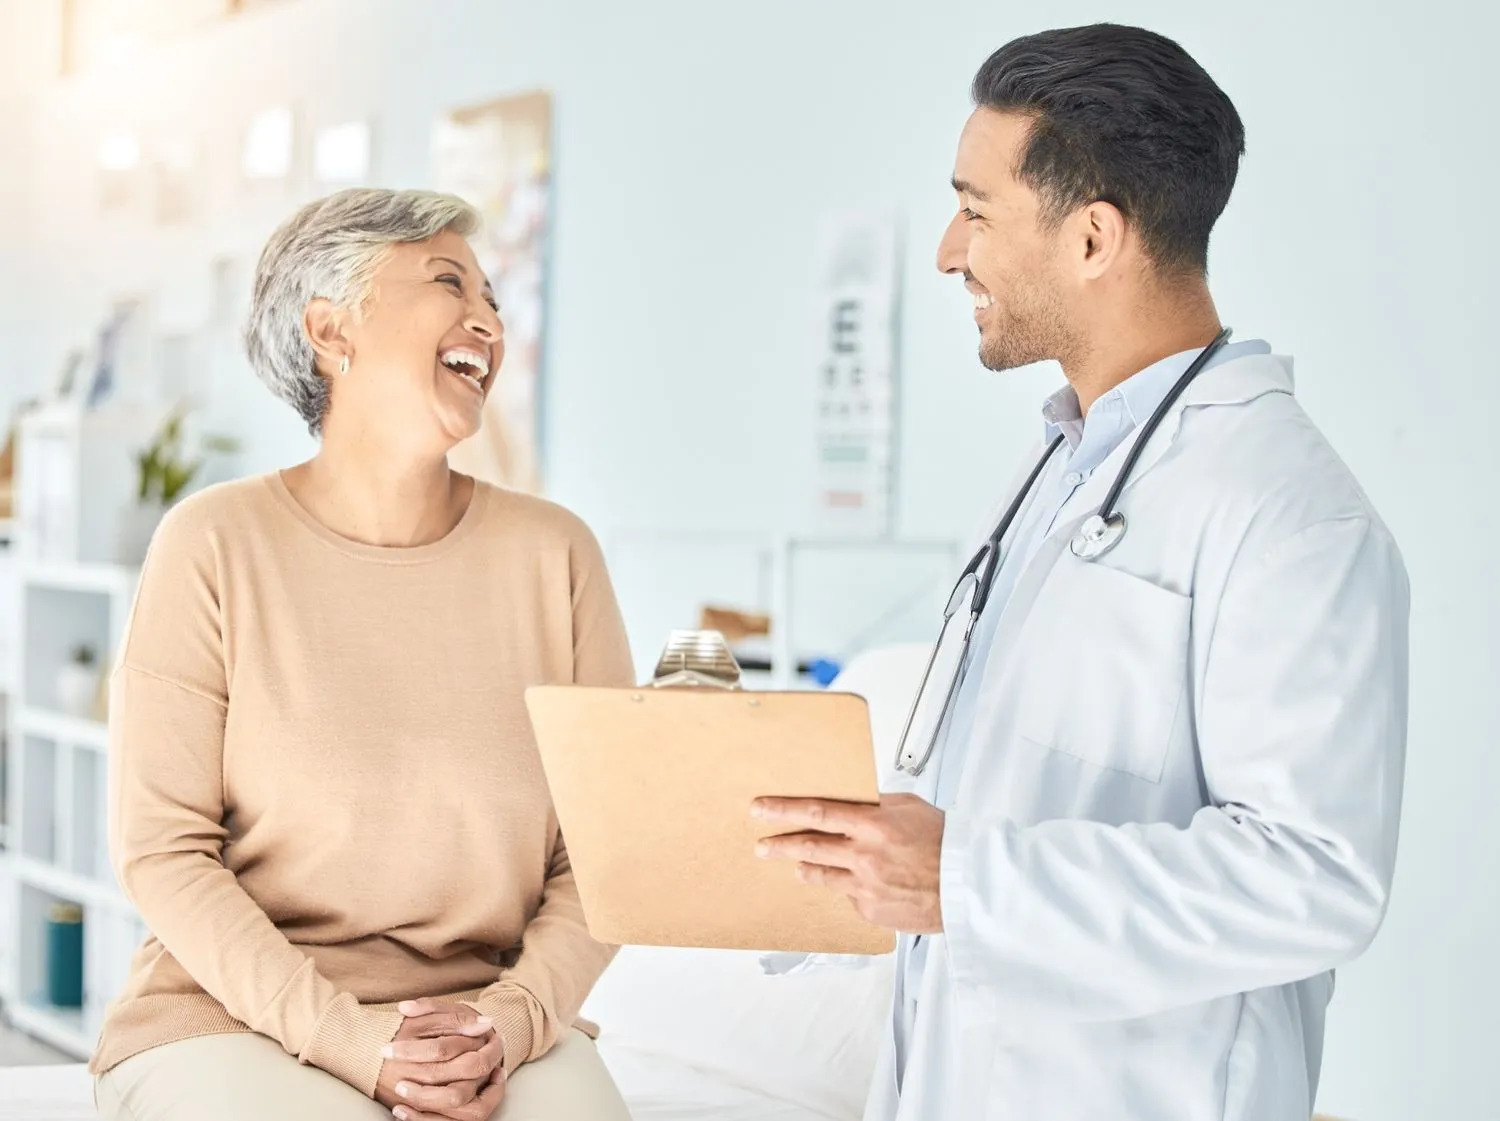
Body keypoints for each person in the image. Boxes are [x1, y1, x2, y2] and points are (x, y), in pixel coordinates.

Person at [754, 24, 1409, 1121]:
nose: (948, 251)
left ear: (1094, 237)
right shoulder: (1069, 463)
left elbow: (1315, 877)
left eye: (977, 208)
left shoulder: (1292, 509)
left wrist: (961, 878)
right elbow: (1016, 796)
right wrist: (875, 864)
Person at [90, 188, 636, 1121]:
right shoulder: (213, 543)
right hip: (234, 1018)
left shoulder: (558, 555)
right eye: (447, 280)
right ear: (330, 332)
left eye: (494, 296)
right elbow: (164, 851)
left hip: (489, 1024)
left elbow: (610, 850)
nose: (487, 319)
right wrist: (354, 1042)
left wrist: (510, 1017)